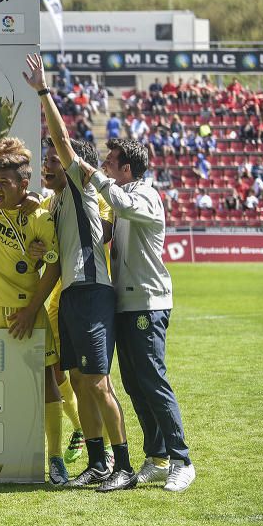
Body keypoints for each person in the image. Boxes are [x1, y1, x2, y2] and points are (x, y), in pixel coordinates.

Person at [25, 53, 137, 492]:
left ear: (73, 166)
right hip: (71, 294)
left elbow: (64, 140)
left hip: (92, 292)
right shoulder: (56, 203)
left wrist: (42, 91)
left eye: (54, 159)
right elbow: (59, 253)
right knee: (76, 378)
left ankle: (124, 465)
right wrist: (44, 251)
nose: (48, 164)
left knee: (96, 381)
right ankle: (95, 462)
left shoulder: (81, 186)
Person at [79, 138, 195, 492]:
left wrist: (93, 176)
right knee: (133, 383)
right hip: (126, 303)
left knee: (153, 380)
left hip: (148, 302)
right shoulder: (125, 199)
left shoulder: (143, 195)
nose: (105, 167)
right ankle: (157, 457)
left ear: (126, 168)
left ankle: (182, 460)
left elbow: (122, 204)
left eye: (111, 162)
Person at [0, 138, 65, 484]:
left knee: (46, 384)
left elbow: (53, 265)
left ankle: (55, 458)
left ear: (24, 185)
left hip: (28, 311)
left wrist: (30, 311)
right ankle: (2, 453)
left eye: (5, 184)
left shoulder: (39, 217)